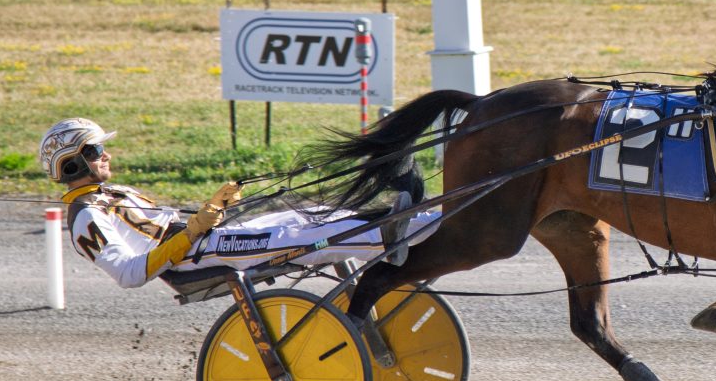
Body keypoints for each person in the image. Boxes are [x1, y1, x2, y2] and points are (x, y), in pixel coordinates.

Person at [38, 118, 433, 290]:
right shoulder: (86, 217)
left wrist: (213, 207)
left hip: (203, 242)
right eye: (95, 149)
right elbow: (129, 273)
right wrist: (195, 230)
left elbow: (164, 226)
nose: (105, 153)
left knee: (307, 216)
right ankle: (400, 234)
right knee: (295, 235)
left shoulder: (111, 193)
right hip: (194, 255)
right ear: (73, 164)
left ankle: (409, 222)